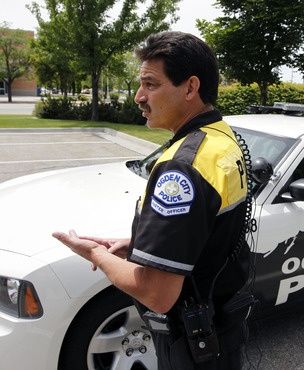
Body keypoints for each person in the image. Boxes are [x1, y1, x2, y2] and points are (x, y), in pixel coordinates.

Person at [53, 31, 251, 369]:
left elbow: (158, 295)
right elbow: (209, 228)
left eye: (150, 84)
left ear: (190, 88)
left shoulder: (183, 166)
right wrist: (137, 244)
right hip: (223, 328)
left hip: (192, 344)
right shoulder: (221, 138)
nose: (138, 97)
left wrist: (97, 255)